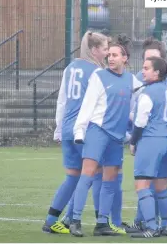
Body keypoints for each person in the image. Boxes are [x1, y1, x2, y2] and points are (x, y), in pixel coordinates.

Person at [68, 34, 143, 237]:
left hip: (116, 138)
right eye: (109, 54)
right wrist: (79, 130)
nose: (110, 58)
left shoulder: (132, 80)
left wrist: (131, 131)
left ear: (125, 58)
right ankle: (74, 220)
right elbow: (88, 105)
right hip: (97, 132)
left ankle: (102, 223)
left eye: (115, 55)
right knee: (87, 176)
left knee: (110, 179)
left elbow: (141, 103)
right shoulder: (98, 76)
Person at [42, 31, 109, 234]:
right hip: (86, 129)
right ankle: (94, 222)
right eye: (105, 49)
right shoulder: (97, 72)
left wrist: (59, 129)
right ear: (94, 50)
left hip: (69, 129)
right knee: (94, 175)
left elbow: (62, 100)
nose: (107, 53)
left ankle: (52, 220)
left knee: (73, 177)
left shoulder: (70, 68)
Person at [128, 56, 167, 238]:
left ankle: (151, 227)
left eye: (147, 68)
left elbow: (140, 122)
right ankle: (164, 225)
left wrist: (133, 142)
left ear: (157, 72)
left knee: (142, 184)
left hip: (151, 141)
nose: (143, 71)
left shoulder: (147, 93)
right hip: (166, 141)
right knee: (162, 186)